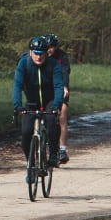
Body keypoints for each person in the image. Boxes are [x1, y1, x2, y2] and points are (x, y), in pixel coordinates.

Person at [12, 36, 64, 173]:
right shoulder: (23, 64)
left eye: (41, 54)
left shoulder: (54, 65)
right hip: (31, 102)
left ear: (46, 53)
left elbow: (59, 86)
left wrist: (56, 105)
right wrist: (18, 105)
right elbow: (17, 86)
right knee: (26, 133)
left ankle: (53, 153)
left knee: (52, 121)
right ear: (30, 52)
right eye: (35, 53)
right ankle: (31, 163)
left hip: (50, 100)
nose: (38, 57)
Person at [44, 34, 71, 165]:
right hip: (45, 91)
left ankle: (62, 150)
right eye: (47, 47)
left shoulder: (62, 57)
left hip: (60, 89)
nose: (49, 50)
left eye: (52, 47)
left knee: (62, 115)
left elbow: (65, 73)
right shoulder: (41, 57)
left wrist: (65, 87)